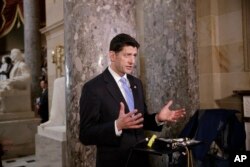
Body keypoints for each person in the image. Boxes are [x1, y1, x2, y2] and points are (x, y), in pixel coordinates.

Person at [79, 33, 186, 167]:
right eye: (127, 55)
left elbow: (139, 121)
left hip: (141, 161)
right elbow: (85, 134)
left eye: (134, 55)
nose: (132, 61)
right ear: (112, 56)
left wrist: (158, 118)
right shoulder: (94, 88)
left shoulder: (136, 83)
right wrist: (117, 126)